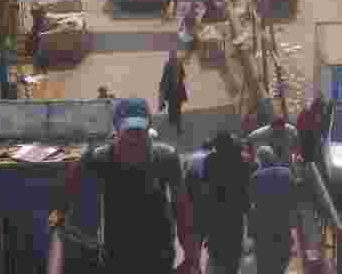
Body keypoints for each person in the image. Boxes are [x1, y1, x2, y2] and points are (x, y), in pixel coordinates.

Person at [52, 98, 200, 274]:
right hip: (117, 258)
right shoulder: (102, 157)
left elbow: (182, 209)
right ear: (117, 132)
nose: (135, 138)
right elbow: (73, 177)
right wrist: (59, 212)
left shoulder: (165, 158)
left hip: (159, 258)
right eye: (129, 132)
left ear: (148, 130)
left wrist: (192, 257)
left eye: (139, 131)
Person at [203, 131, 252, 274]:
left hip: (216, 211)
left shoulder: (210, 160)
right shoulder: (241, 160)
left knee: (218, 251)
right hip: (234, 211)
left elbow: (206, 187)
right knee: (234, 249)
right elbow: (246, 186)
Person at [249, 145, 299, 274]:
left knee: (264, 264)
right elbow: (294, 197)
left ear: (260, 160)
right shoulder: (287, 173)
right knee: (281, 261)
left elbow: (251, 202)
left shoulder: (255, 176)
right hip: (283, 223)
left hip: (263, 227)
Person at [159, 50, 188, 135]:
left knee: (172, 107)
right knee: (178, 109)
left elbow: (164, 77)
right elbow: (183, 75)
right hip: (179, 91)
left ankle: (172, 120)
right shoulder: (179, 64)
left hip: (171, 91)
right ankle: (177, 125)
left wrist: (162, 89)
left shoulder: (167, 64)